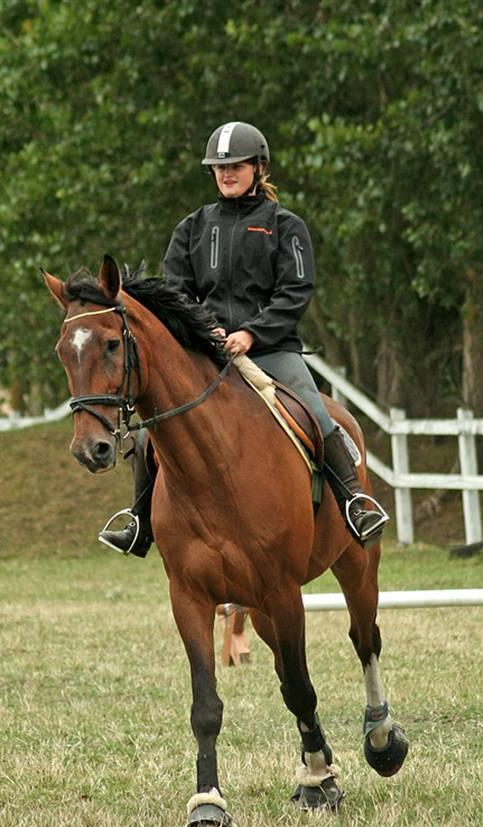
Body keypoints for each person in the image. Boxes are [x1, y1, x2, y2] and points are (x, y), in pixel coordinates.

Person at [99, 120, 388, 557]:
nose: (227, 172)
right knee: (148, 432)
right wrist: (202, 328)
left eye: (236, 165)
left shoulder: (285, 225)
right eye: (219, 166)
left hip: (271, 350)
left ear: (258, 167)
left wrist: (253, 333)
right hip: (207, 353)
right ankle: (140, 521)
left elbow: (295, 291)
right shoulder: (192, 227)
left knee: (314, 409)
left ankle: (354, 502)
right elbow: (175, 290)